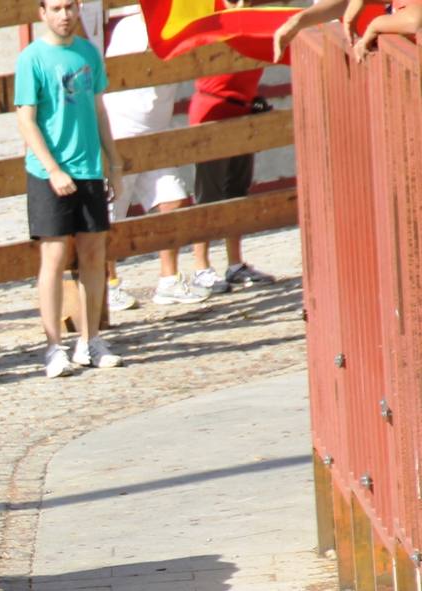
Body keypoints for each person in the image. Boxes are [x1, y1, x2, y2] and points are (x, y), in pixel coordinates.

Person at [15, 0, 124, 377]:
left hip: (89, 167)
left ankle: (90, 340)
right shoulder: (32, 58)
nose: (65, 15)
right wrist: (52, 169)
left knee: (94, 253)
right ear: (42, 13)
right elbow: (26, 119)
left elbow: (99, 109)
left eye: (70, 7)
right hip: (49, 172)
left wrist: (114, 162)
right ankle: (53, 347)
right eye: (57, 8)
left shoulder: (88, 53)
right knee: (55, 255)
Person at [101, 8, 217, 310]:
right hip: (121, 131)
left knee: (173, 201)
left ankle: (168, 280)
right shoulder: (129, 27)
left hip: (156, 132)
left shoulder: (181, 25)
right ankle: (108, 284)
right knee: (111, 212)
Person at [187, 4, 278, 292]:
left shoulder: (255, 20)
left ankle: (235, 263)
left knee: (237, 191)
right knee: (209, 195)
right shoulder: (213, 19)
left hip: (241, 110)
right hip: (212, 110)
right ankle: (200, 266)